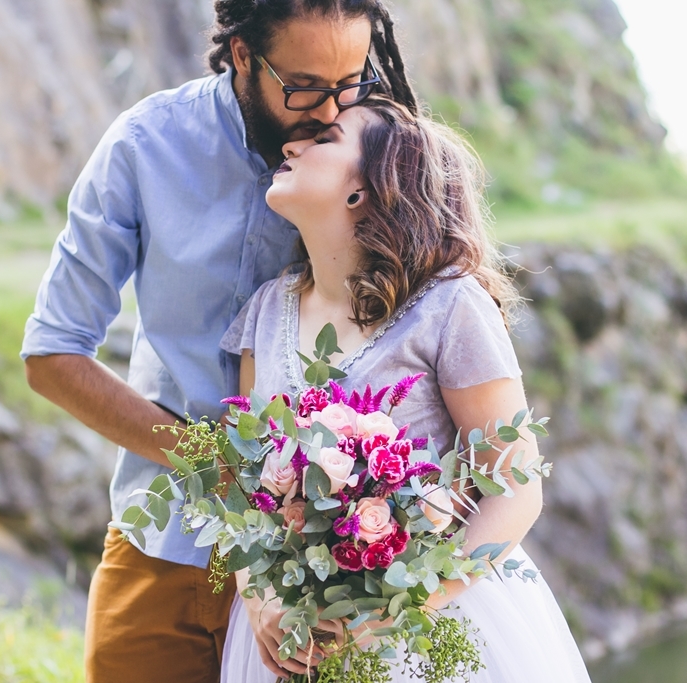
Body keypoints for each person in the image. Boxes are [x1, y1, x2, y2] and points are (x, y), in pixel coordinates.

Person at [20, 1, 417, 681]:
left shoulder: (376, 152)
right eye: (304, 88)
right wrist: (214, 464)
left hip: (321, 573)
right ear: (240, 55)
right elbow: (52, 354)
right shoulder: (144, 144)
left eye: (349, 81)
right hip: (162, 545)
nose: (329, 113)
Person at [218, 97, 593, 682]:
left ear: (363, 188)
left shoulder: (449, 304)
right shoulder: (266, 309)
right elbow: (243, 485)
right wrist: (257, 595)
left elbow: (517, 488)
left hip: (425, 631)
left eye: (323, 139)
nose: (290, 145)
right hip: (290, 636)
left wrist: (395, 609)